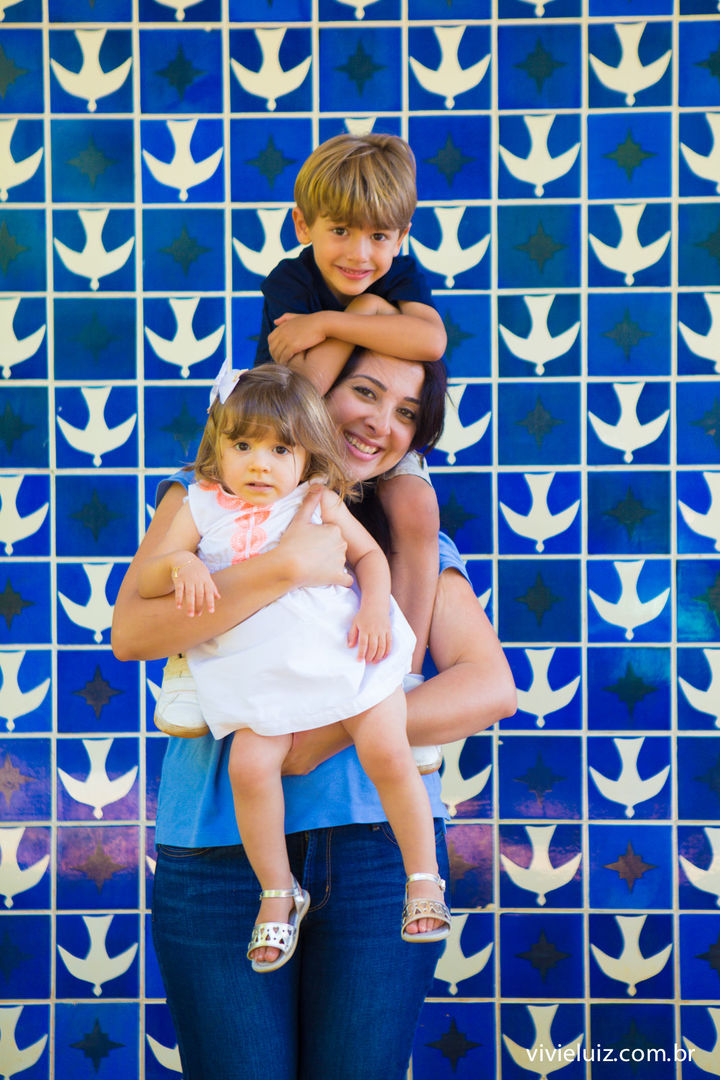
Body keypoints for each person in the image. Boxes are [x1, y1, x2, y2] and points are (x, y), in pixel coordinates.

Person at [112, 350, 516, 1080]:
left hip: (375, 854)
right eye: (364, 392)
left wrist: (324, 733)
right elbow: (133, 633)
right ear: (312, 393)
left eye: (406, 413)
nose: (380, 423)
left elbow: (489, 687)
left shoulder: (397, 539)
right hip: (218, 852)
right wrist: (286, 567)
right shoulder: (207, 500)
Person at [135, 362, 449, 972]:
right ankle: (278, 892)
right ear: (217, 446)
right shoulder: (200, 505)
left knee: (387, 750)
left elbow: (369, 558)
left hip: (345, 653)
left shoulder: (317, 499)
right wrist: (181, 564)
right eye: (243, 446)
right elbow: (150, 578)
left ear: (307, 456)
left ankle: (422, 877)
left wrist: (376, 612)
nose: (260, 464)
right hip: (262, 674)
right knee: (250, 768)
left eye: (280, 450)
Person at [256, 132, 447, 680]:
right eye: (340, 230)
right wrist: (370, 314)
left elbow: (431, 341)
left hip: (368, 438)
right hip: (289, 432)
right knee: (235, 498)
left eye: (379, 235)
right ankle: (199, 659)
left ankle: (402, 674)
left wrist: (337, 319)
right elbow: (305, 392)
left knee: (416, 504)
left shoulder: (401, 275)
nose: (360, 254)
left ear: (402, 236)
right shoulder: (290, 282)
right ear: (302, 225)